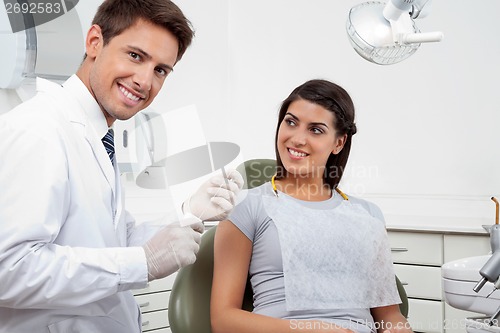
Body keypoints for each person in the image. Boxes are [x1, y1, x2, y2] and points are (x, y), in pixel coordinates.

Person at [0, 0, 242, 332]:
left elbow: (110, 238)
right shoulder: (40, 130)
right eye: (135, 56)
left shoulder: (96, 134)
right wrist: (141, 263)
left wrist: (189, 213)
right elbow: (9, 270)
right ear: (94, 42)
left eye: (160, 70)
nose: (144, 80)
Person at [211, 79, 412, 333]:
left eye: (316, 130)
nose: (297, 139)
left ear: (339, 142)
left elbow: (390, 317)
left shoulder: (368, 215)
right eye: (291, 122)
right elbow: (223, 320)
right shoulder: (246, 205)